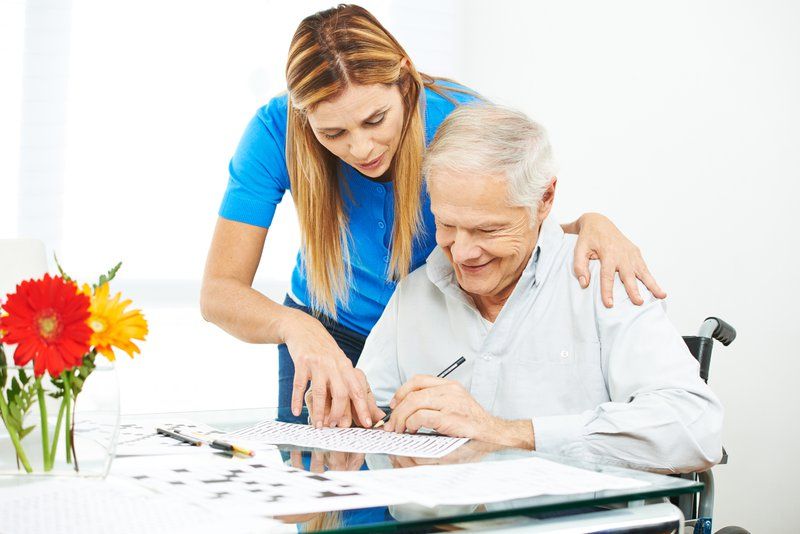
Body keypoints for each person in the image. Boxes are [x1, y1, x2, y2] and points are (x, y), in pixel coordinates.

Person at [200, 4, 666, 430]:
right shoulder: (273, 132)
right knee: (324, 500)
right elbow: (220, 292)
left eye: (375, 119)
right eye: (333, 133)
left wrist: (588, 223)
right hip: (323, 335)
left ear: (404, 79)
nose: (360, 148)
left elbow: (511, 228)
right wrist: (298, 327)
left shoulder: (463, 120)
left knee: (424, 498)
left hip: (428, 338)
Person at [356, 104, 723, 473]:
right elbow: (366, 420)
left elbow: (695, 428)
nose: (463, 253)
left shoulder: (603, 283)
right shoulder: (416, 293)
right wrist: (345, 407)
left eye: (488, 229)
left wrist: (509, 433)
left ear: (545, 200)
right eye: (447, 224)